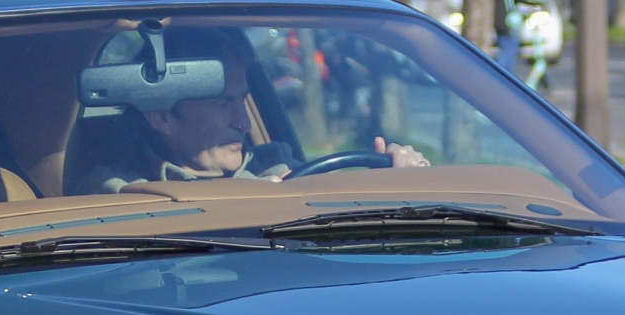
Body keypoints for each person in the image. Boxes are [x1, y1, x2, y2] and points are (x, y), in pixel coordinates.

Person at [76, 26, 428, 193]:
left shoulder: (282, 167)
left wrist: (399, 186)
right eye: (222, 103)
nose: (243, 122)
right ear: (161, 116)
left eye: (243, 100)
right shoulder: (117, 190)